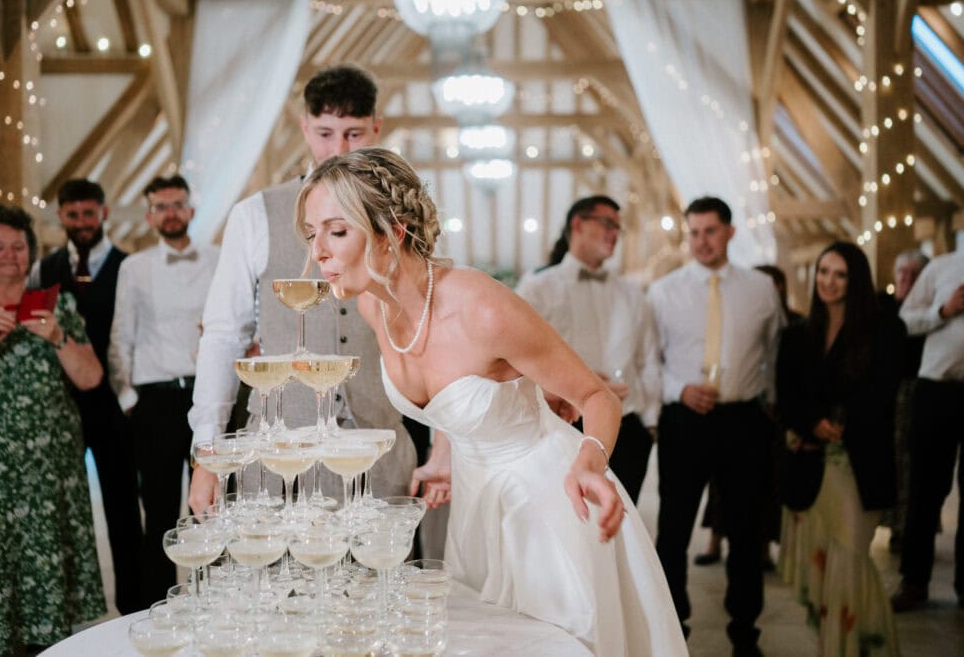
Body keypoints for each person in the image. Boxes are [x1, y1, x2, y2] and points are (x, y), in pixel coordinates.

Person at [295, 147, 687, 656]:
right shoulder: (374, 303)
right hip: (476, 510)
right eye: (312, 234)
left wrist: (590, 462)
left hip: (547, 502)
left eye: (336, 231)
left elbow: (594, 395)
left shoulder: (482, 308)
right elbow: (450, 398)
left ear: (390, 231)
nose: (317, 253)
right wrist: (445, 451)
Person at [188, 65, 416, 515]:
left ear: (376, 128)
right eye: (325, 133)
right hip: (277, 458)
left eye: (353, 134)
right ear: (305, 127)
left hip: (379, 457)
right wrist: (208, 454)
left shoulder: (404, 217)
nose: (338, 150)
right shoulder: (256, 214)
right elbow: (223, 335)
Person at [0, 205, 106, 655]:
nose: (10, 256)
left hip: (45, 471)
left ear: (31, 252)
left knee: (42, 573)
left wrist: (56, 337)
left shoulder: (59, 304)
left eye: (18, 247)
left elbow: (90, 378)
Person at [646, 197, 784, 656]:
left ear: (729, 233)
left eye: (710, 231)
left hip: (743, 420)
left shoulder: (761, 289)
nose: (701, 241)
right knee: (674, 526)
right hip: (685, 419)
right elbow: (650, 360)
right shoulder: (664, 291)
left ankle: (745, 631)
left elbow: (774, 352)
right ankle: (674, 626)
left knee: (746, 530)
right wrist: (679, 390)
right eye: (694, 232)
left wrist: (763, 402)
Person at [777, 241, 903, 655]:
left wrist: (845, 424)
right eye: (823, 272)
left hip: (860, 464)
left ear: (856, 280)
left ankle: (850, 648)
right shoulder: (797, 334)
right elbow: (786, 398)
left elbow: (885, 393)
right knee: (827, 566)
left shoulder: (882, 328)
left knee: (850, 557)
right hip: (812, 465)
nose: (829, 282)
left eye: (840, 274)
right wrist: (811, 422)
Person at [32, 178, 144, 613]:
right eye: (73, 214)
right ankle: (65, 605)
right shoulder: (45, 269)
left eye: (88, 213)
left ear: (104, 213)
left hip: (113, 404)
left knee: (122, 508)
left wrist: (130, 396)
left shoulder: (127, 266)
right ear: (61, 216)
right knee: (59, 505)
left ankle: (133, 606)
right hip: (62, 404)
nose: (81, 222)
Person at [108, 175, 220, 605]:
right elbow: (122, 336)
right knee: (157, 510)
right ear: (150, 215)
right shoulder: (133, 267)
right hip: (154, 400)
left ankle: (215, 600)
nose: (171, 213)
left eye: (178, 204)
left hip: (207, 396)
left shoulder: (218, 258)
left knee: (212, 507)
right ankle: (158, 604)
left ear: (191, 210)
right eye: (162, 206)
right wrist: (128, 398)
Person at [516, 195, 660, 502]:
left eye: (618, 228)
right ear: (578, 225)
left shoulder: (632, 293)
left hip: (628, 427)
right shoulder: (537, 288)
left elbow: (648, 358)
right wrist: (578, 381)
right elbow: (519, 360)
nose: (615, 234)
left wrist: (650, 423)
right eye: (608, 223)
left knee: (622, 520)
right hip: (565, 426)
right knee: (570, 521)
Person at [696, 264, 802, 568]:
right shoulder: (731, 315)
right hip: (743, 408)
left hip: (770, 413)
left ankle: (763, 547)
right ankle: (716, 538)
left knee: (762, 485)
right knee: (721, 485)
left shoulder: (793, 323)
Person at [891, 245, 964, 612]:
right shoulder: (941, 267)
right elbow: (905, 319)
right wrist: (944, 311)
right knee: (925, 487)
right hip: (936, 388)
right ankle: (914, 581)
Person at [877, 249, 929, 552]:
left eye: (914, 274)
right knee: (892, 461)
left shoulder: (934, 311)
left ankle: (910, 528)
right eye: (902, 273)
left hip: (918, 392)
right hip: (889, 394)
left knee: (914, 462)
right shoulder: (884, 308)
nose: (907, 279)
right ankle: (894, 524)